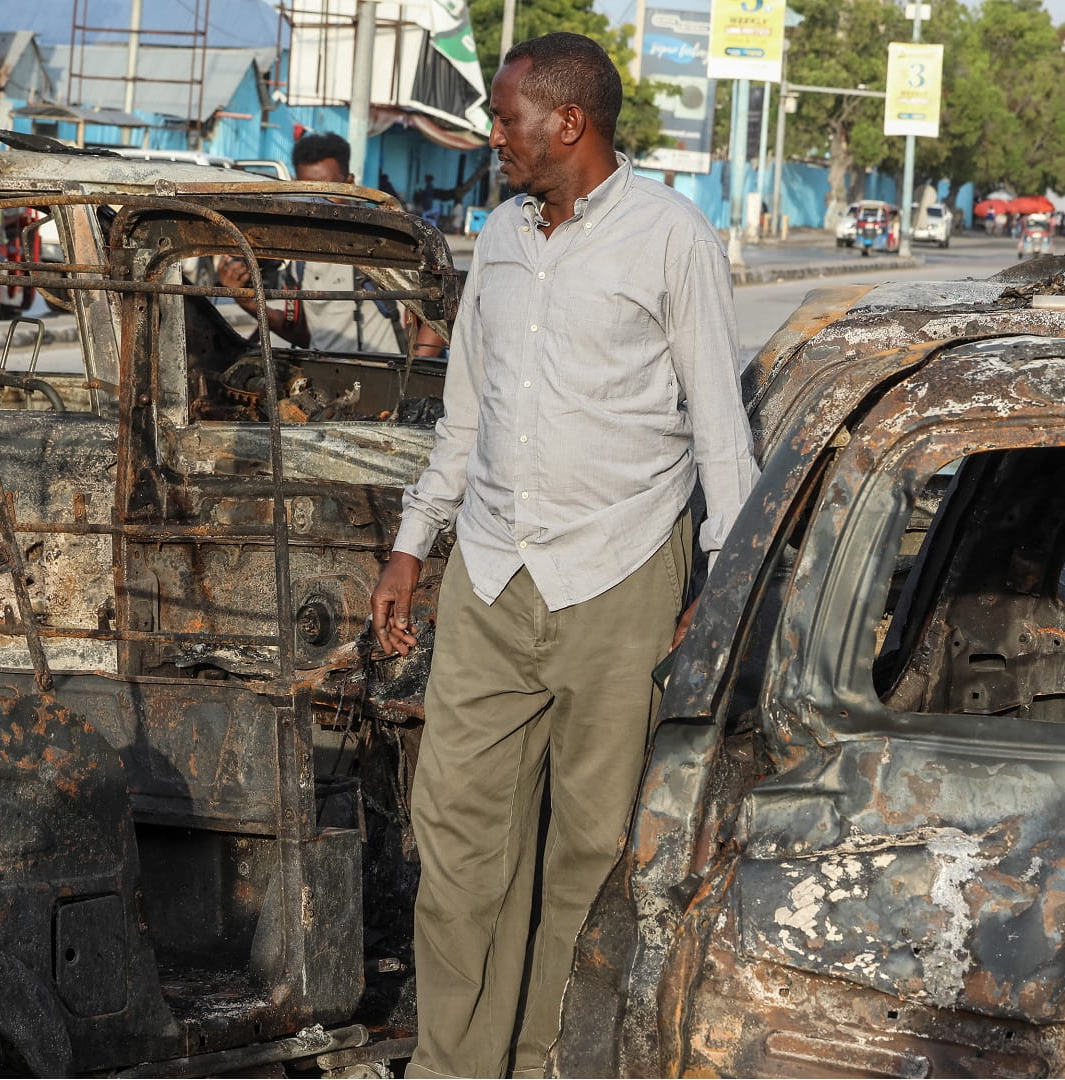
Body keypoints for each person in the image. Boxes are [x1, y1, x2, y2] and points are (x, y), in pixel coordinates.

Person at [367, 32, 758, 1079]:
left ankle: (547, 1062)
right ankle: (454, 1067)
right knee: (456, 848)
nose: (493, 138)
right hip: (494, 578)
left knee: (588, 857)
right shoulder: (495, 237)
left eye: (506, 121)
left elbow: (721, 429)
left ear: (568, 123)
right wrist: (413, 545)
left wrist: (717, 591)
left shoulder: (672, 238)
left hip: (622, 577)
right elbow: (466, 415)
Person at [217, 132, 442, 359]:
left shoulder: (392, 242)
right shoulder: (300, 256)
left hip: (388, 383)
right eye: (309, 193)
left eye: (328, 192)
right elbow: (305, 334)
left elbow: (439, 318)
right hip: (325, 386)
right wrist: (246, 301)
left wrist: (414, 374)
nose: (318, 204)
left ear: (350, 183)